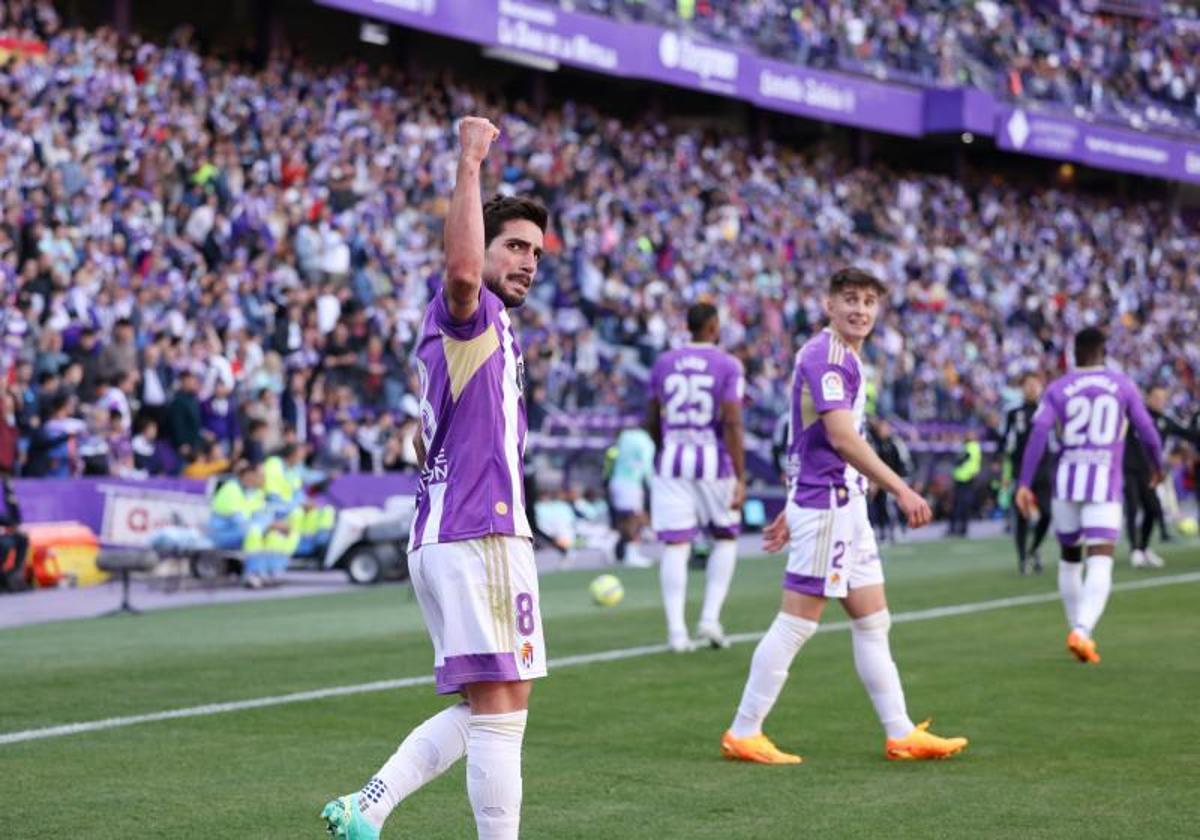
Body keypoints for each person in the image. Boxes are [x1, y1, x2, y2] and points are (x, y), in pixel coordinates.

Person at [322, 118, 547, 840]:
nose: (529, 262)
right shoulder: (469, 306)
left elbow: (429, 432)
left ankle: (371, 805)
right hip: (477, 531)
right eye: (514, 245)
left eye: (536, 252)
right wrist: (470, 158)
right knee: (503, 715)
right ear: (482, 245)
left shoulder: (492, 328)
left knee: (498, 707)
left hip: (458, 530)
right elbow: (459, 270)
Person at [721, 268, 967, 766]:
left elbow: (806, 433)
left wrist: (795, 503)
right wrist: (899, 487)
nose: (860, 309)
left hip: (845, 505)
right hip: (829, 504)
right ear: (828, 304)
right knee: (796, 624)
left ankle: (900, 732)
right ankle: (744, 731)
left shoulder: (846, 355)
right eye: (850, 299)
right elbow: (838, 436)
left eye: (869, 301)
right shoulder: (826, 355)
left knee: (874, 622)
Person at [1016, 328, 1163, 665]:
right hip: (1103, 484)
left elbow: (1038, 433)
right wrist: (1158, 466)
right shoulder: (1122, 385)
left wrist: (1024, 483)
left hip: (1066, 482)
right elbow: (1147, 431)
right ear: (1103, 353)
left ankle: (1077, 629)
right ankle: (1082, 630)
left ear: (1074, 352)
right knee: (1100, 559)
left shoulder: (1058, 388)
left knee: (1070, 558)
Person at [645, 301, 746, 651]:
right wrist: (741, 476)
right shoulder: (728, 364)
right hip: (713, 461)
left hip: (671, 461)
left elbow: (651, 417)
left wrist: (665, 445)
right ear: (714, 327)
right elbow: (732, 419)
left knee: (676, 544)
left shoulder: (664, 362)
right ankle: (709, 619)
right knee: (725, 537)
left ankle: (676, 632)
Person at [1004, 372, 1053, 574]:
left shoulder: (1048, 409)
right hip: (1021, 469)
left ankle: (1034, 549)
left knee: (1047, 513)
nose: (1032, 388)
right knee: (1022, 515)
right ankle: (1023, 558)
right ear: (1022, 387)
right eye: (1028, 384)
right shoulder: (1013, 412)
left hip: (1043, 468)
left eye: (1036, 384)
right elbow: (1005, 439)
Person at [605, 425, 656, 567]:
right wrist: (652, 485)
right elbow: (647, 466)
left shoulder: (624, 437)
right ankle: (631, 554)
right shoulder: (646, 442)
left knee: (625, 519)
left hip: (618, 481)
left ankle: (616, 547)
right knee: (635, 518)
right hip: (631, 483)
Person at [867, 418, 912, 544]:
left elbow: (903, 461)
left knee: (896, 505)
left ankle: (901, 529)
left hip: (897, 478)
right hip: (882, 479)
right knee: (882, 505)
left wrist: (901, 479)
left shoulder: (895, 443)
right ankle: (885, 532)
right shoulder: (877, 443)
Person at [949, 430, 981, 536]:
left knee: (962, 504)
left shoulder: (972, 447)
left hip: (966, 478)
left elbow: (962, 460)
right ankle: (957, 528)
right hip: (960, 478)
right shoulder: (966, 446)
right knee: (958, 504)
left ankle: (961, 528)